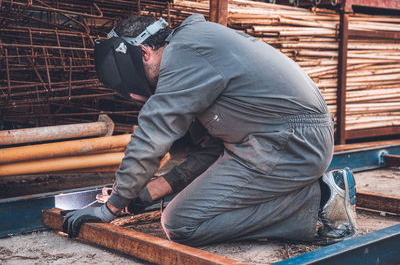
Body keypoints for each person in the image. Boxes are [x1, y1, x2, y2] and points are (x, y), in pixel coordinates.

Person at [62, 14, 357, 246]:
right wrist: (146, 192)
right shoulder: (195, 46)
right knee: (186, 206)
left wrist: (111, 208)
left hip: (289, 143)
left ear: (144, 53)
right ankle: (313, 194)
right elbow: (214, 150)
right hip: (279, 139)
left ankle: (317, 198)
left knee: (180, 224)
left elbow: (152, 134)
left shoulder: (182, 57)